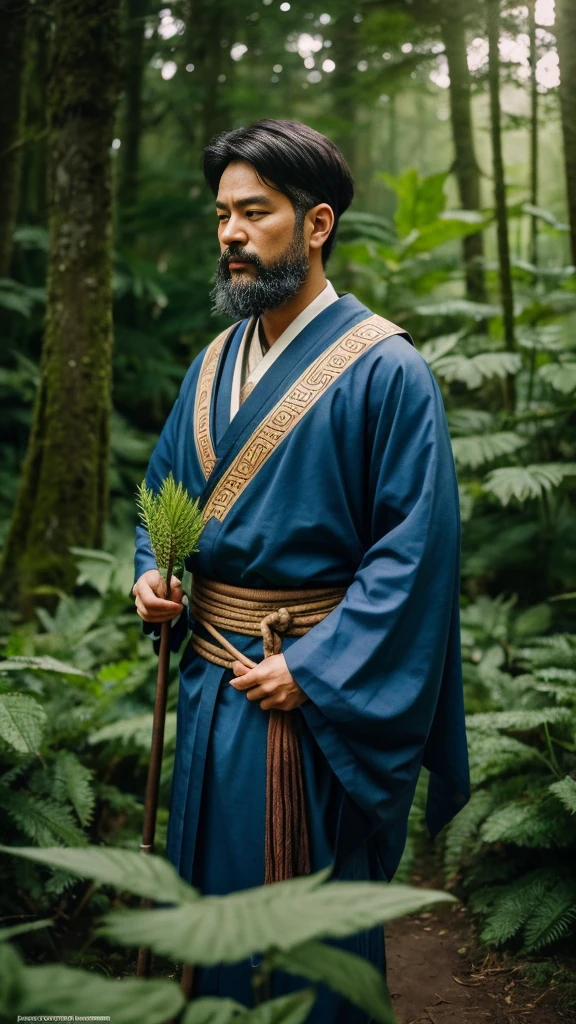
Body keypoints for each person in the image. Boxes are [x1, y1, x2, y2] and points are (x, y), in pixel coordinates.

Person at [132, 118, 470, 1021]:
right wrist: (152, 575)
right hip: (210, 684)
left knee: (303, 944)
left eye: (255, 213)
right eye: (222, 216)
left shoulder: (389, 371)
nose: (231, 235)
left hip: (304, 702)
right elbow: (163, 486)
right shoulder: (211, 364)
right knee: (206, 912)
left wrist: (316, 670)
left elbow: (415, 551)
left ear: (316, 224)